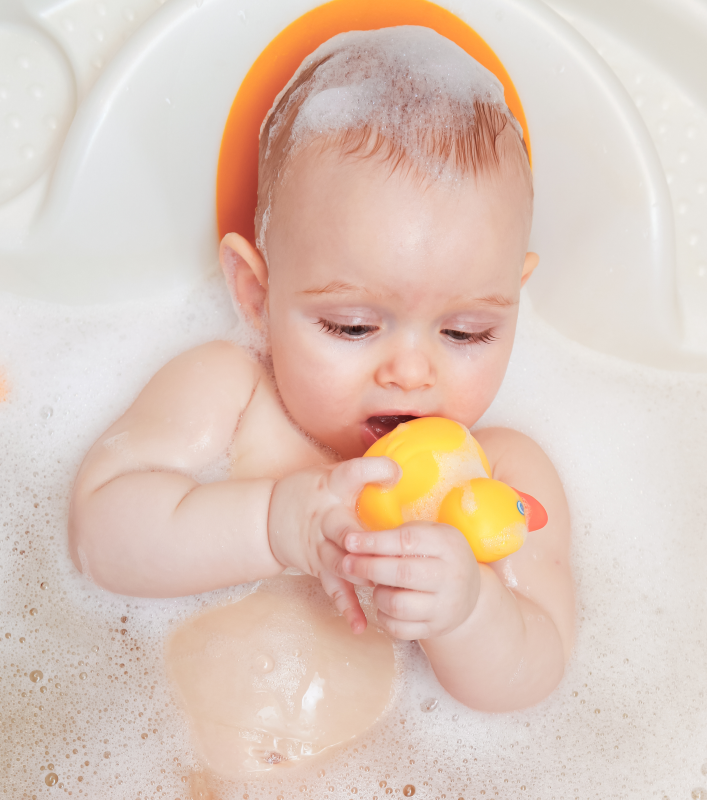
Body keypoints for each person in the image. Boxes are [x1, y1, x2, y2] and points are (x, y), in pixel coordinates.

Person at [68, 26, 575, 715]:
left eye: (466, 331)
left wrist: (468, 610)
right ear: (256, 295)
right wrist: (273, 524)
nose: (410, 370)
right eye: (353, 326)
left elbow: (538, 670)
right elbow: (99, 537)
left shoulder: (506, 475)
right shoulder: (231, 395)